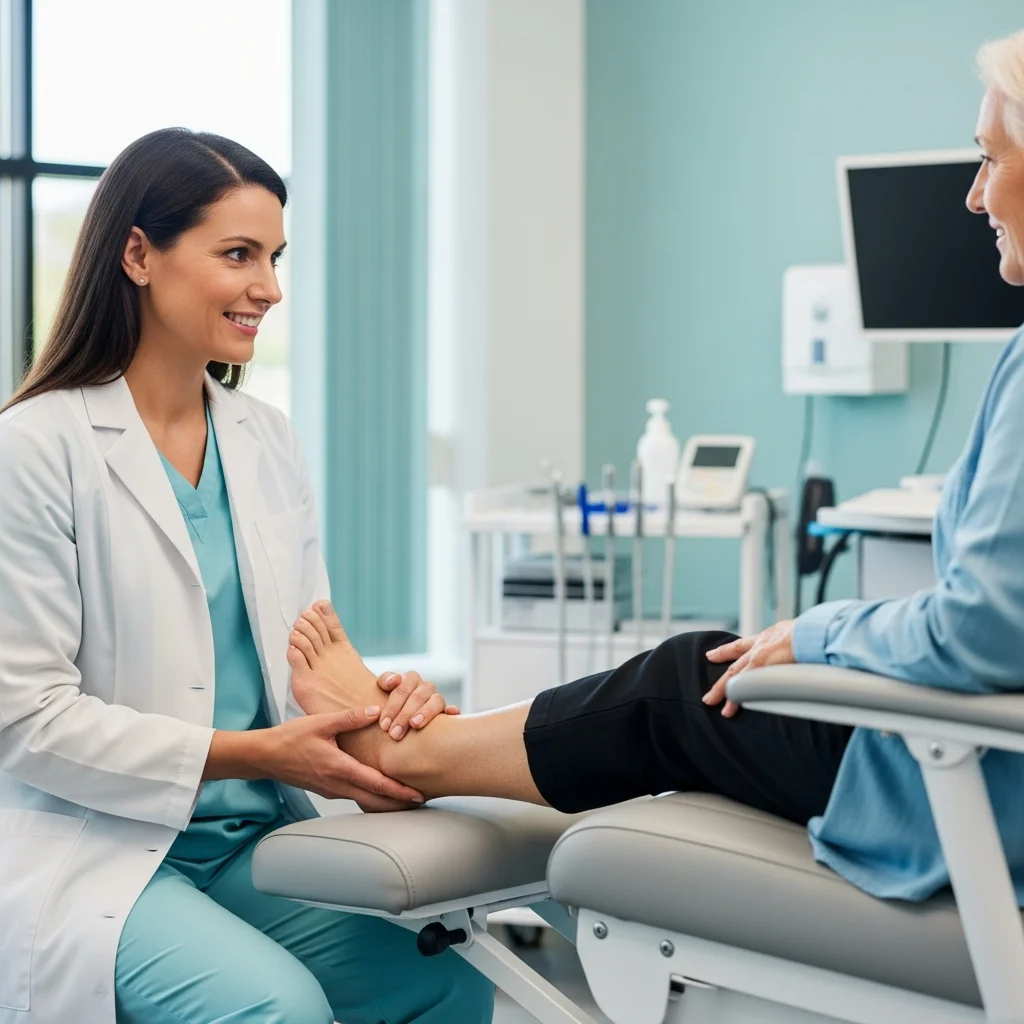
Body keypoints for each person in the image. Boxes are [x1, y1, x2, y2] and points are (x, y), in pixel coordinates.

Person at [287, 27, 1024, 909]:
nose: (976, 197)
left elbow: (982, 629)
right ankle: (437, 735)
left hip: (972, 791)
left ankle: (410, 752)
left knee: (687, 681)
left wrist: (826, 631)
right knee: (722, 664)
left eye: (989, 160)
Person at [0, 129, 491, 1024]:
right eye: (238, 254)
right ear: (139, 254)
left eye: (274, 256)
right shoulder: (36, 449)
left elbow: (308, 654)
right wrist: (252, 754)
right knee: (278, 1010)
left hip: (252, 841)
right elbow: (26, 721)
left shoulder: (264, 440)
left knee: (444, 981)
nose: (268, 286)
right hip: (104, 848)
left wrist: (380, 697)